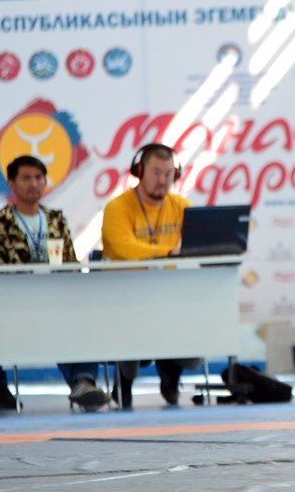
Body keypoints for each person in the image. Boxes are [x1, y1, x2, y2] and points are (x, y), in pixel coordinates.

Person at [0, 155, 111, 412]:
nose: (34, 183)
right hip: (12, 304)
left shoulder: (56, 219)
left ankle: (84, 383)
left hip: (56, 300)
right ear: (11, 183)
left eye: (38, 178)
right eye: (26, 178)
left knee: (82, 315)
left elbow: (70, 264)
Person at [100, 143, 200, 407]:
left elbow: (196, 245)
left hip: (169, 293)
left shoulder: (180, 205)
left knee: (196, 314)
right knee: (131, 317)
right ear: (140, 171)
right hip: (125, 294)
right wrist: (168, 252)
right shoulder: (117, 207)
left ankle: (171, 370)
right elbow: (124, 248)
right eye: (156, 173)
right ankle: (124, 382)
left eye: (168, 174)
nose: (163, 180)